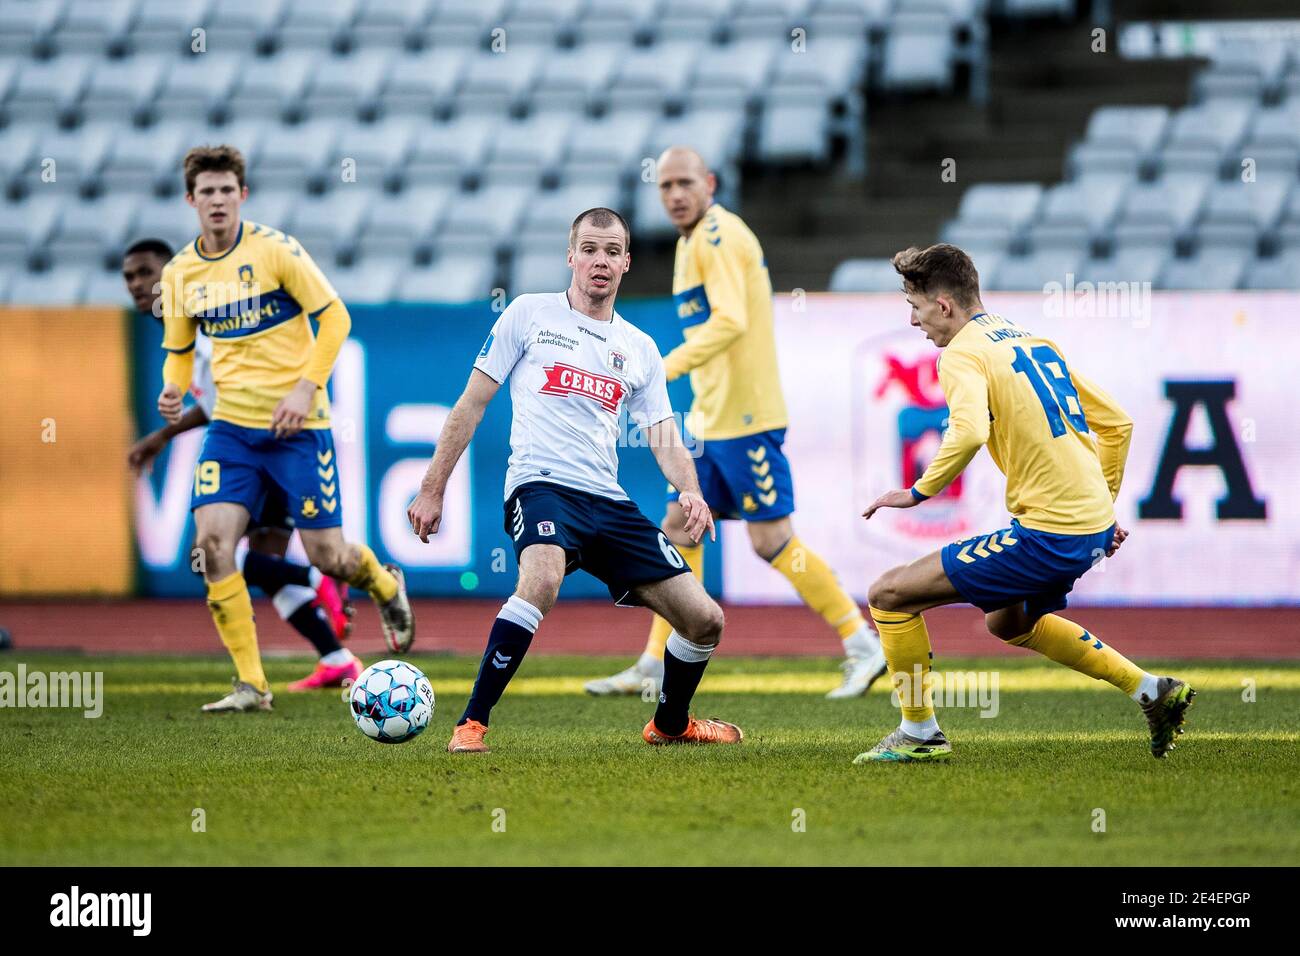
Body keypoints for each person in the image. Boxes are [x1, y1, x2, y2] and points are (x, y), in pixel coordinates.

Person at [407, 207, 743, 753]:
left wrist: (691, 491)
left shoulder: (638, 347)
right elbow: (471, 405)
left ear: (627, 262)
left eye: (612, 252)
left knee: (705, 620)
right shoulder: (527, 314)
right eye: (589, 249)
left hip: (607, 503)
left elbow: (663, 435)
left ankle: (671, 725)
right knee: (540, 580)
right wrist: (432, 487)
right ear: (570, 256)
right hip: (540, 485)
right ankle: (471, 724)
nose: (599, 261)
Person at [856, 243, 1193, 763]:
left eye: (915, 305)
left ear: (943, 305)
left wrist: (918, 491)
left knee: (889, 594)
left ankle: (919, 733)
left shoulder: (962, 353)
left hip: (1051, 535)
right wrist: (1101, 512)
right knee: (1008, 623)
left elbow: (966, 433)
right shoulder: (1033, 341)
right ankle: (1152, 691)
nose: (913, 320)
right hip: (1085, 528)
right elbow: (1117, 424)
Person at [585, 146, 886, 700]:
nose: (674, 194)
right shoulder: (692, 241)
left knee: (772, 541)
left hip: (747, 421)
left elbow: (730, 321)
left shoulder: (719, 236)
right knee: (678, 527)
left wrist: (662, 369)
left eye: (684, 183)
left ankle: (862, 643)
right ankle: (654, 663)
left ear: (710, 184)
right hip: (717, 420)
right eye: (665, 186)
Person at [157, 145, 413, 713]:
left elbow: (336, 317)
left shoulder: (274, 251)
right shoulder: (179, 275)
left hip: (300, 429)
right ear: (191, 199)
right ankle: (252, 685)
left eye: (228, 190)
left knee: (328, 556)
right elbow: (178, 352)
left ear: (242, 195)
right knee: (213, 547)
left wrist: (305, 388)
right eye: (207, 192)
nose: (218, 200)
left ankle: (383, 583)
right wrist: (172, 387)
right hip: (231, 433)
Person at [125, 237, 360, 692]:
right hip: (263, 447)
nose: (138, 285)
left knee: (213, 556)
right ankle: (336, 657)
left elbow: (227, 405)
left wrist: (160, 436)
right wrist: (161, 436)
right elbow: (217, 403)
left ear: (171, 274)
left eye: (146, 274)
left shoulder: (209, 331)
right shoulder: (185, 331)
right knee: (259, 565)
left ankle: (320, 579)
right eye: (129, 277)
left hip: (269, 448)